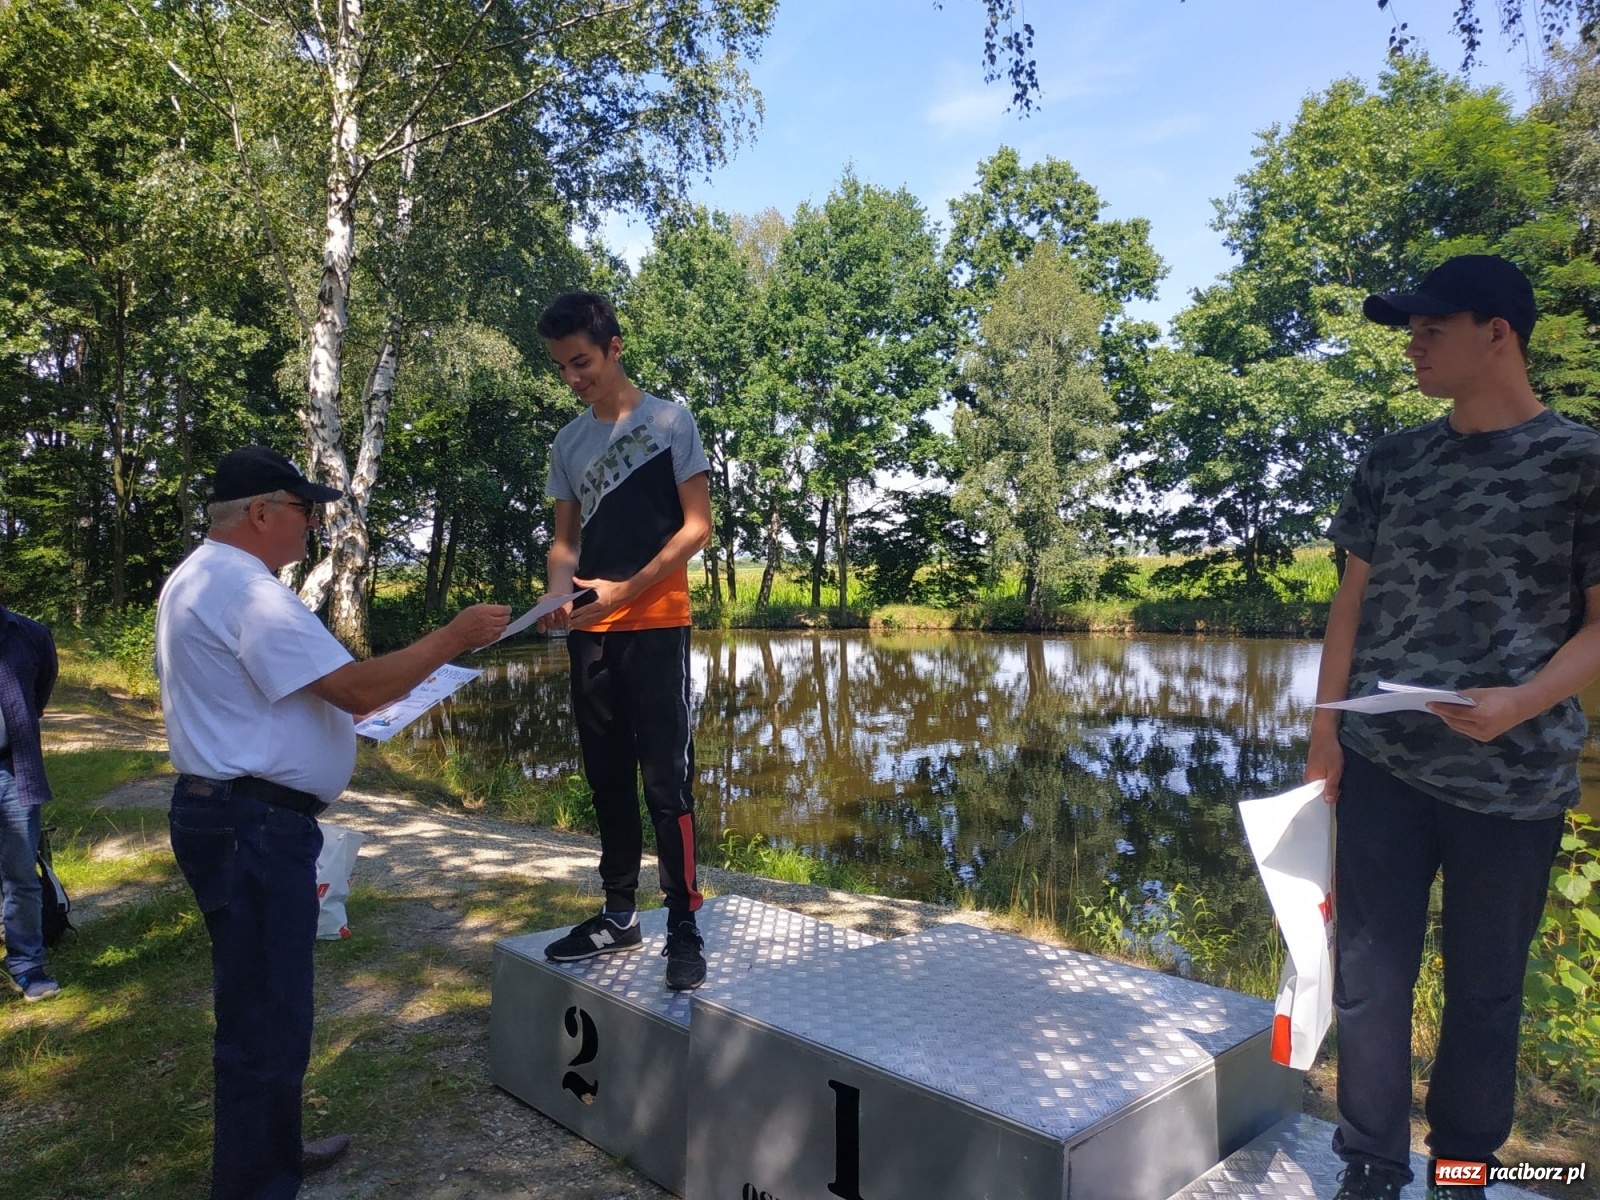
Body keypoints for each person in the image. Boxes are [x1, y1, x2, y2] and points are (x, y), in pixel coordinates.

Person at [1307, 255, 1600, 1200]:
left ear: (1497, 333)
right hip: (1384, 762)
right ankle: (1371, 1164)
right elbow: (1349, 609)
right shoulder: (1393, 460)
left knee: (1483, 994)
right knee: (1367, 976)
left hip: (1515, 779)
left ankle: (1463, 1172)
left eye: (1433, 326)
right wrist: (1325, 740)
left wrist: (1519, 703)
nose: (1413, 343)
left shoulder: (1582, 463)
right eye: (1410, 328)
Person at [155, 445, 508, 1200]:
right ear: (260, 513)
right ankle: (256, 1183)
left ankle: (270, 1151)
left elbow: (300, 694)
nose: (311, 527)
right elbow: (352, 689)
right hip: (253, 827)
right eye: (303, 511)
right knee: (267, 1019)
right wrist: (453, 636)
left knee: (263, 1003)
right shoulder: (245, 590)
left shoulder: (199, 579)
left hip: (235, 818)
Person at [532, 291, 713, 991]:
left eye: (581, 362)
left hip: (658, 624)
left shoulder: (671, 420)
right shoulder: (568, 443)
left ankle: (684, 924)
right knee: (605, 778)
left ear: (614, 346)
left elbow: (697, 529)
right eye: (560, 367)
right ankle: (618, 914)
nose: (572, 377)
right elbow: (564, 539)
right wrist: (557, 593)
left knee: (666, 781)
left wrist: (625, 591)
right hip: (589, 632)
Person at [0, 603, 60, 1003]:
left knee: (21, 874)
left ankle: (26, 964)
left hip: (13, 770)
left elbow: (37, 695)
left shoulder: (29, 634)